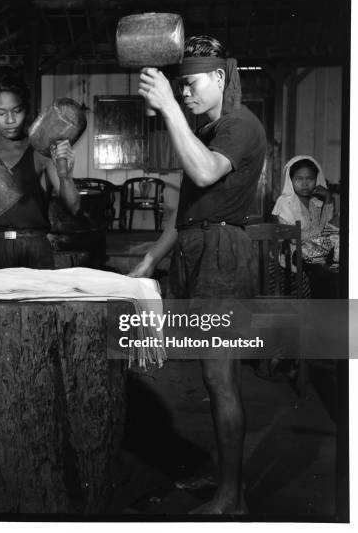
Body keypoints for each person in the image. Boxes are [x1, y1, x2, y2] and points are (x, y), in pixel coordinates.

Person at [130, 35, 267, 514]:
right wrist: (153, 258)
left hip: (222, 255)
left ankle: (233, 496)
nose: (184, 93)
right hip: (195, 248)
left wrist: (167, 107)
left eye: (189, 85)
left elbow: (207, 174)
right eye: (180, 88)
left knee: (221, 377)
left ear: (220, 77)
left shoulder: (240, 125)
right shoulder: (207, 130)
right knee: (211, 379)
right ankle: (224, 474)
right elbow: (186, 209)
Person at [0, 75, 80, 269]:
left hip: (35, 248)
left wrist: (65, 175)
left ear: (25, 111)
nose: (10, 120)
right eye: (1, 112)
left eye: (17, 110)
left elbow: (73, 207)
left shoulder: (41, 152)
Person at [272, 155, 338, 271]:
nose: (305, 184)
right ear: (290, 180)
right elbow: (294, 238)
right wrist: (328, 230)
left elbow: (325, 227)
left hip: (315, 252)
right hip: (292, 257)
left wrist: (328, 198)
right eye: (299, 179)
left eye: (310, 179)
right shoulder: (285, 203)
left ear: (316, 180)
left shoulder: (314, 202)